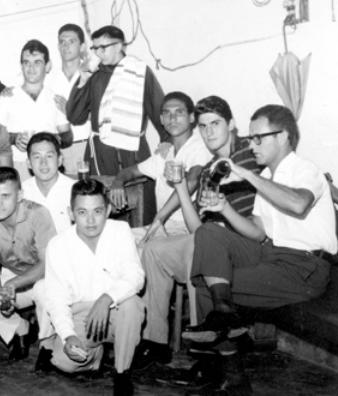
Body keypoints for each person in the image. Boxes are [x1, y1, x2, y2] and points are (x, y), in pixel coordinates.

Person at [184, 104, 337, 394]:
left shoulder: (306, 170)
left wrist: (250, 177)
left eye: (259, 138)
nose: (251, 144)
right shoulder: (269, 175)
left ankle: (233, 372)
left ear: (284, 137)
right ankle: (226, 318)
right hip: (270, 254)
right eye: (250, 137)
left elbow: (298, 203)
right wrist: (224, 208)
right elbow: (257, 231)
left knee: (208, 283)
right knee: (208, 232)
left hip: (304, 268)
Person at [136, 95, 260, 369]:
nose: (209, 132)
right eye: (203, 126)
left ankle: (205, 351)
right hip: (210, 242)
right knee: (154, 250)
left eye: (215, 124)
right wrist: (179, 186)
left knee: (199, 248)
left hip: (245, 246)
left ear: (232, 124)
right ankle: (155, 342)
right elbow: (196, 228)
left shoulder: (249, 156)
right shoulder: (207, 172)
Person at [41, 179, 144, 396]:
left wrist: (106, 299)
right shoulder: (58, 245)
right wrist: (68, 335)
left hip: (116, 313)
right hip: (82, 315)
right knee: (65, 362)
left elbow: (135, 276)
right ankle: (95, 356)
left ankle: (122, 372)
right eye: (82, 212)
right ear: (70, 213)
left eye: (97, 211)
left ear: (107, 210)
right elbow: (56, 298)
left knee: (132, 305)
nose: (90, 220)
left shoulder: (120, 230)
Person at [0, 167, 56, 360]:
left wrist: (11, 285)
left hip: (43, 275)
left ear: (19, 195)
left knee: (46, 292)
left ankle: (47, 345)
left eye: (5, 196)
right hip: (13, 274)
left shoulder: (38, 214)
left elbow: (46, 265)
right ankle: (21, 329)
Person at [66, 25, 166, 177]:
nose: (98, 53)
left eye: (103, 48)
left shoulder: (139, 72)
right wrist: (82, 82)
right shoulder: (93, 74)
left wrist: (167, 140)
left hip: (132, 152)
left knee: (137, 197)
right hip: (101, 153)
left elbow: (159, 109)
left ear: (119, 45)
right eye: (95, 48)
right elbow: (75, 117)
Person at [110, 91, 212, 237]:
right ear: (161, 119)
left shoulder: (200, 146)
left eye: (179, 112)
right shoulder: (165, 152)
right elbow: (131, 172)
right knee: (117, 239)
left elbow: (192, 181)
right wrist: (118, 182)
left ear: (191, 117)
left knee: (134, 249)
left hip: (187, 228)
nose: (172, 118)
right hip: (164, 227)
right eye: (167, 113)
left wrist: (159, 218)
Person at [0, 40, 72, 180]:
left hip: (48, 167)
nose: (31, 67)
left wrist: (56, 138)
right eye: (26, 62)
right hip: (17, 167)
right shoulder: (6, 98)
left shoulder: (56, 99)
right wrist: (14, 138)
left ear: (47, 66)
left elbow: (68, 138)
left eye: (37, 62)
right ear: (21, 66)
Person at [47, 23, 91, 175]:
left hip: (88, 146)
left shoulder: (92, 75)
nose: (66, 46)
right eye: (62, 42)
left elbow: (102, 114)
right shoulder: (49, 80)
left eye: (71, 41)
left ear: (83, 46)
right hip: (60, 149)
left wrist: (71, 110)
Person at [22, 132, 75, 233]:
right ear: (28, 163)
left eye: (49, 156)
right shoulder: (22, 192)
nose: (43, 163)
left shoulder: (74, 190)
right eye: (37, 157)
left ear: (59, 160)